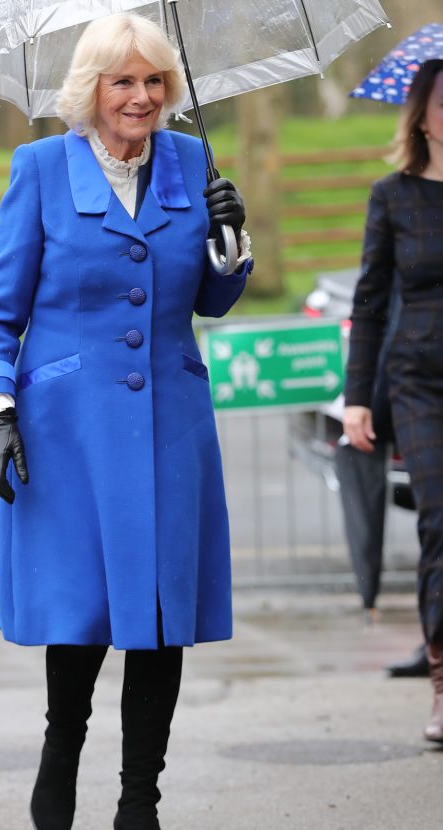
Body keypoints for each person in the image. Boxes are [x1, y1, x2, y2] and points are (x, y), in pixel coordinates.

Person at [0, 14, 253, 829]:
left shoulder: (193, 161)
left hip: (171, 427)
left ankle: (139, 804)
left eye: (155, 80)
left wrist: (229, 244)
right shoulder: (41, 168)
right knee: (82, 612)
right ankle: (60, 765)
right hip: (69, 433)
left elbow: (213, 300)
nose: (142, 96)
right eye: (123, 81)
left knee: (160, 618)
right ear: (90, 90)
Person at [343, 59, 443, 743]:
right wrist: (356, 399)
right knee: (441, 520)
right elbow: (370, 302)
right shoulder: (394, 195)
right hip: (420, 380)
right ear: (422, 113)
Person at [337, 282, 429, 677]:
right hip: (422, 395)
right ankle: (437, 650)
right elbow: (374, 302)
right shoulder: (402, 221)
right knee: (435, 528)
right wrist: (361, 400)